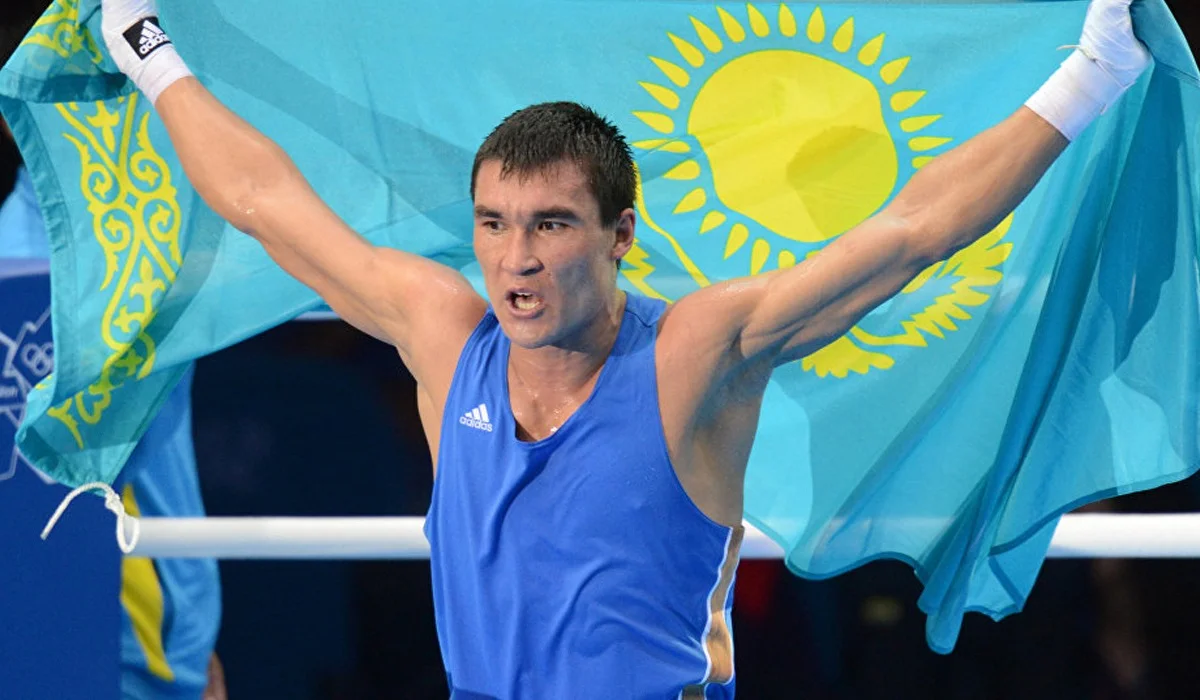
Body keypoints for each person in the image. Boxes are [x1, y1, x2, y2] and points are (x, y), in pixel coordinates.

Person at [96, 0, 1150, 695]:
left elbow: (911, 233)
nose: (516, 259)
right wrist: (148, 50)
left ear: (620, 235)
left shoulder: (695, 353)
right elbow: (264, 200)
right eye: (494, 224)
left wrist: (1093, 73)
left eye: (551, 224)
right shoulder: (442, 334)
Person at [1, 13, 225, 695]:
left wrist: (193, 646)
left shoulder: (160, 237)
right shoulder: (27, 273)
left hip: (167, 632)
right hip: (101, 638)